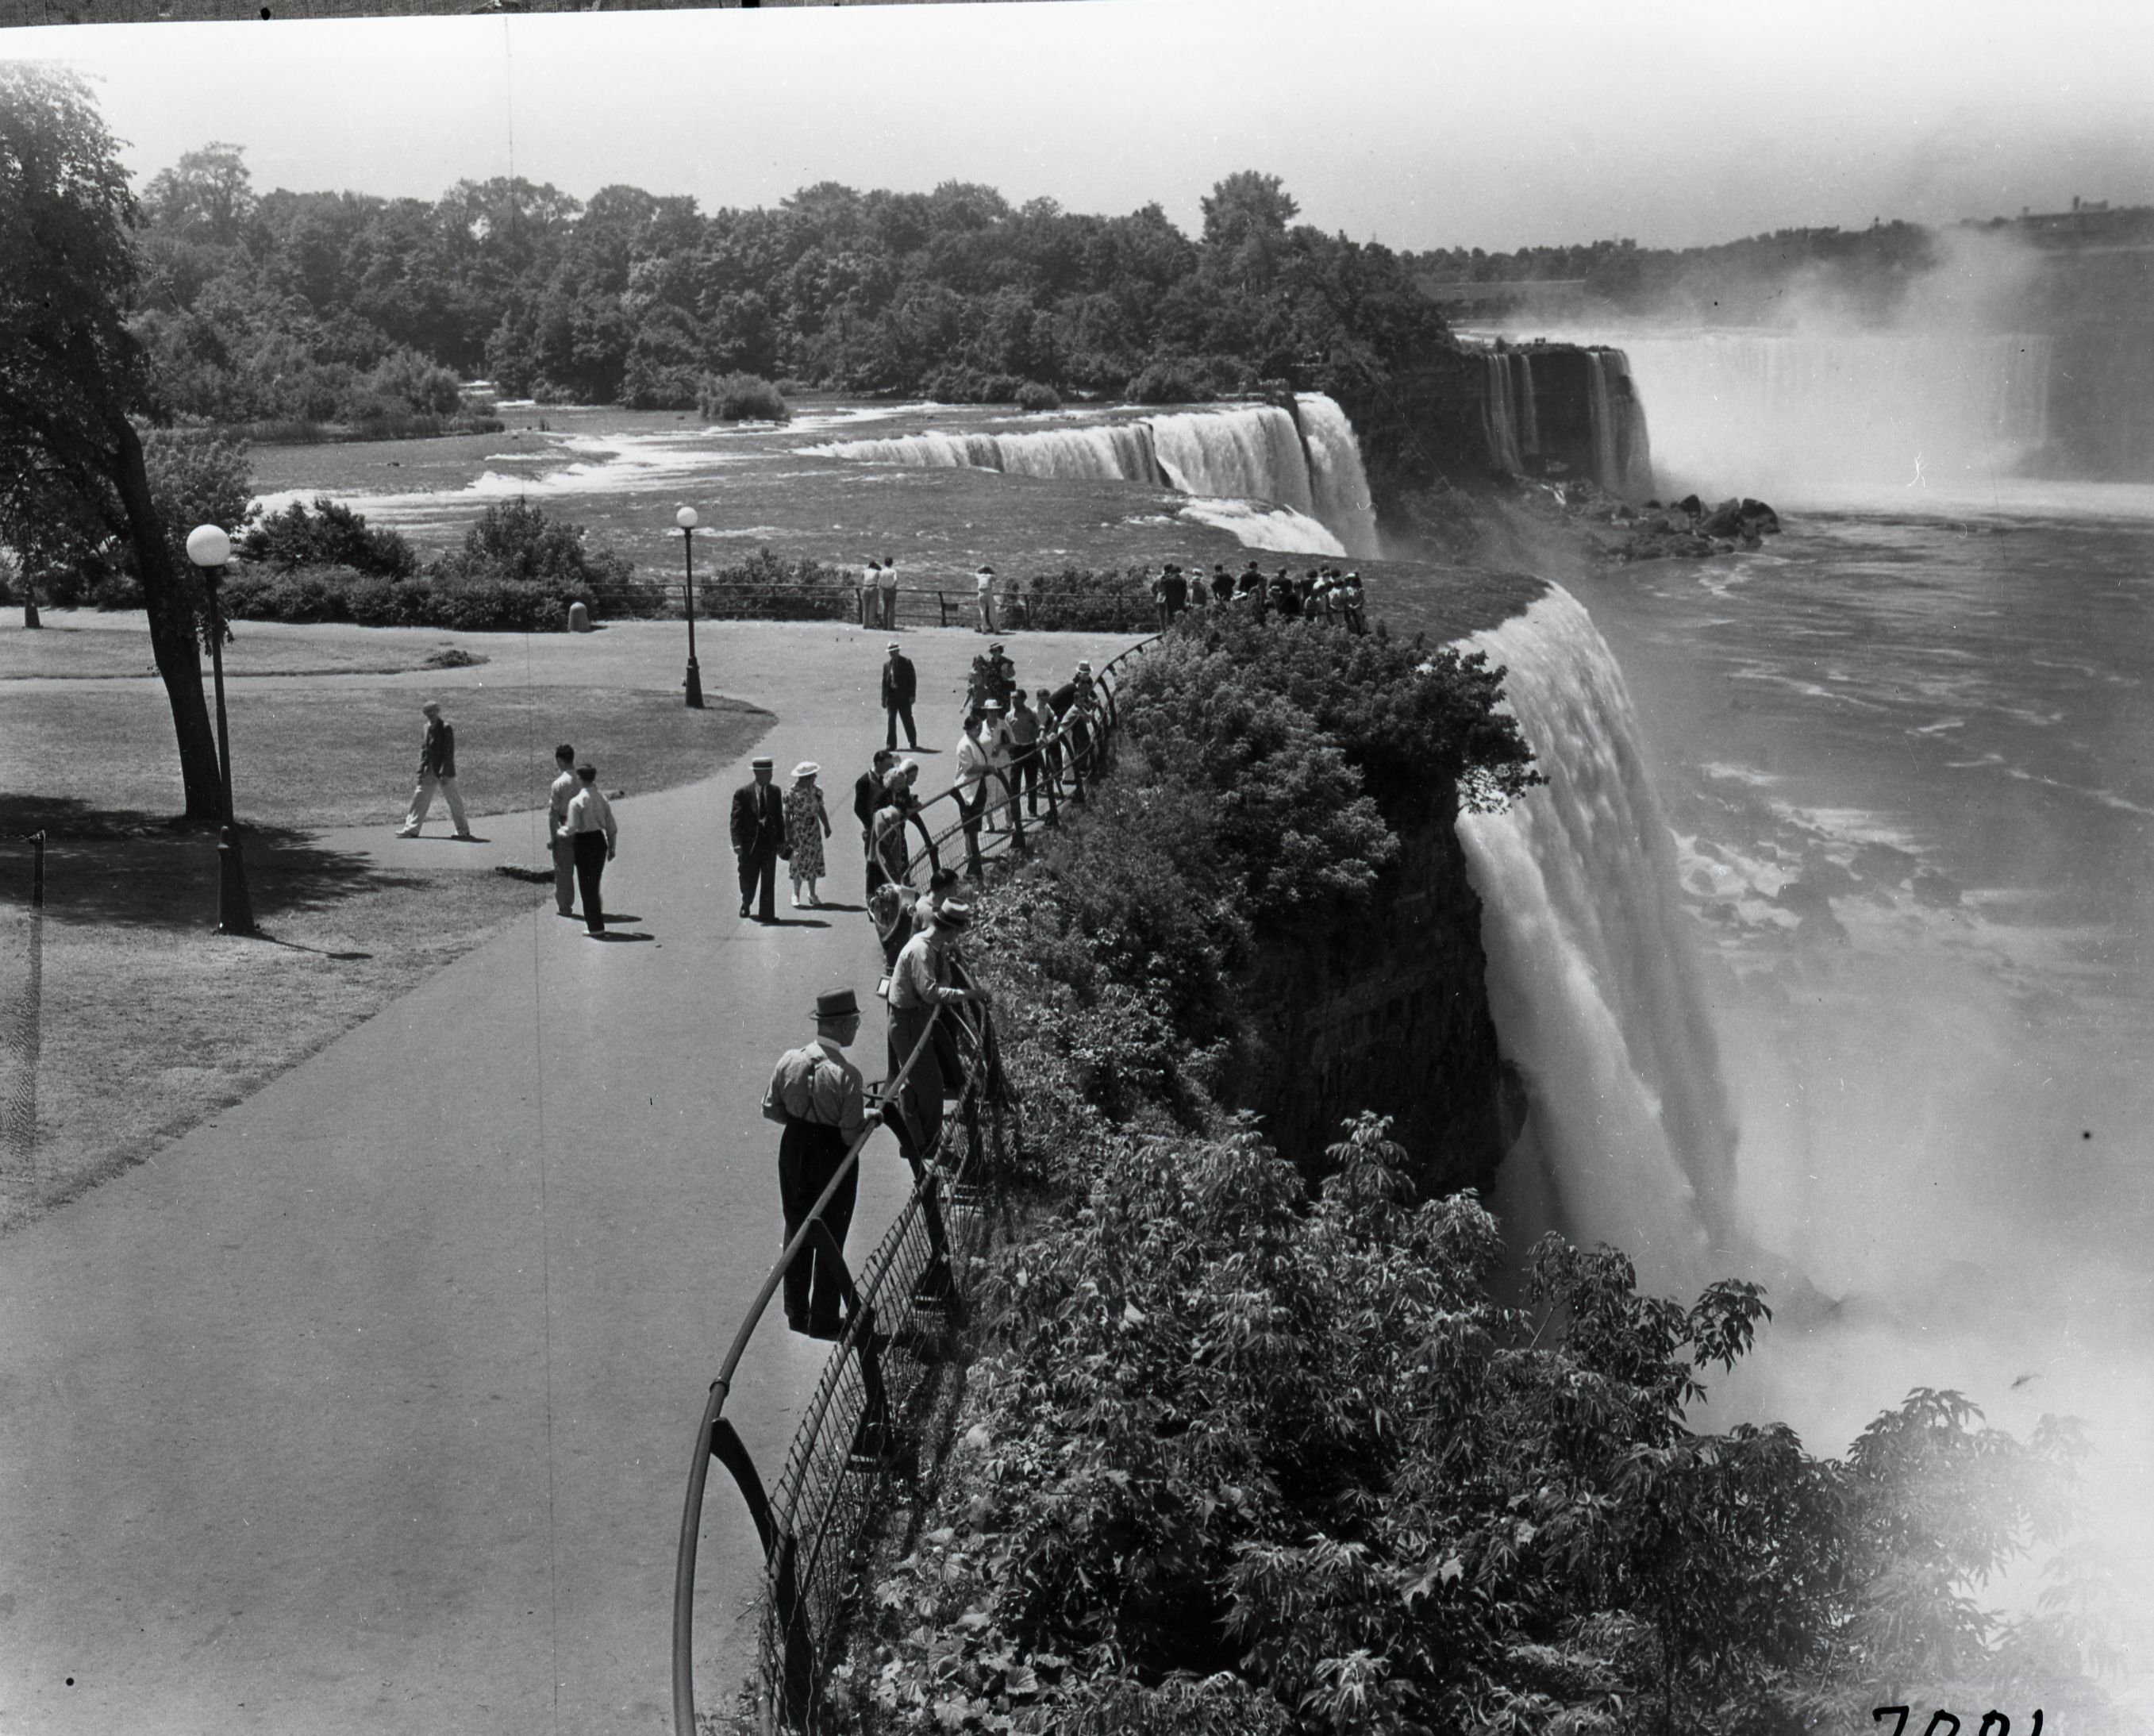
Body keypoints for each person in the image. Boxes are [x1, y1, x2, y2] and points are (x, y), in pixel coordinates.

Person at [761, 989, 869, 1338]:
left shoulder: (789, 1060)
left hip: (793, 1146)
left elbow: (770, 1109)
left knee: (796, 1224)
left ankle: (796, 1312)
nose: (856, 1029)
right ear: (840, 1026)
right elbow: (851, 1135)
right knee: (831, 1231)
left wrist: (801, 1120)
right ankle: (824, 1318)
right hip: (832, 1153)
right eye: (854, 1023)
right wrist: (870, 1118)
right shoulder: (848, 1076)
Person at [885, 900, 989, 1168]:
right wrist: (969, 994)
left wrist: (946, 958)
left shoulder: (934, 946)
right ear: (952, 929)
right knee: (930, 1084)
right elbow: (930, 992)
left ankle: (917, 1139)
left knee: (923, 1080)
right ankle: (928, 1147)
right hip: (906, 1021)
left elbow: (938, 983)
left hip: (917, 1018)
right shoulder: (922, 951)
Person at [395, 699, 474, 839]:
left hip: (444, 772)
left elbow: (448, 752)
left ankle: (463, 831)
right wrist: (421, 770)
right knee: (419, 798)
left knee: (453, 800)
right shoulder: (426, 727)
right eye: (427, 713)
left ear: (438, 712)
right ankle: (411, 829)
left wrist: (444, 773)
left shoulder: (445, 728)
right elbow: (424, 750)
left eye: (433, 712)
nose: (430, 715)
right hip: (429, 771)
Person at [561, 763, 617, 937]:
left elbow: (571, 828)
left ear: (580, 778)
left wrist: (559, 831)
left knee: (587, 886)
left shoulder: (576, 802)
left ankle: (595, 926)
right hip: (599, 841)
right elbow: (611, 826)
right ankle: (595, 921)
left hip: (583, 842)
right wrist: (612, 846)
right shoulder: (601, 798)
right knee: (594, 882)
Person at [729, 755, 788, 922]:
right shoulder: (742, 794)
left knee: (768, 879)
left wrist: (781, 841)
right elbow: (735, 821)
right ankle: (746, 902)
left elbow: (779, 818)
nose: (770, 775)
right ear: (756, 773)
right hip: (750, 846)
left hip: (769, 843)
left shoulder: (775, 792)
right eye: (766, 772)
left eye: (771, 771)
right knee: (748, 876)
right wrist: (737, 843)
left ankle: (767, 914)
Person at [783, 762, 833, 908]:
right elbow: (786, 815)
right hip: (799, 831)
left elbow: (820, 809)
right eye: (812, 776)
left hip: (813, 831)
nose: (815, 779)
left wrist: (827, 826)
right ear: (805, 778)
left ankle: (812, 893)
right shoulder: (791, 794)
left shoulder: (816, 791)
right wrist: (788, 834)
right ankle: (796, 894)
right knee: (798, 861)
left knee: (813, 860)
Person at [954, 704, 995, 874]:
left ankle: (974, 851)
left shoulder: (974, 741)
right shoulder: (964, 745)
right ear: (969, 729)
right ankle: (970, 853)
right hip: (969, 788)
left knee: (976, 821)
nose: (979, 731)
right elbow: (968, 768)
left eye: (980, 727)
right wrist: (987, 768)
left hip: (978, 785)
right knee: (969, 821)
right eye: (977, 728)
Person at [546, 742, 579, 918]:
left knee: (564, 869)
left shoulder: (559, 784)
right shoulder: (584, 779)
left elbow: (553, 813)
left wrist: (553, 837)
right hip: (584, 827)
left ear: (560, 760)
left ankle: (565, 906)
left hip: (566, 826)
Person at [855, 749, 894, 889]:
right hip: (873, 828)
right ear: (878, 763)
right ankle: (871, 894)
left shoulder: (885, 778)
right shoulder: (865, 781)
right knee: (873, 862)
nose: (891, 768)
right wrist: (871, 825)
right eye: (888, 764)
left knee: (887, 862)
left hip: (886, 827)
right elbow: (858, 808)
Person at [1004, 687, 1042, 818]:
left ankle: (1032, 810)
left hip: (1030, 749)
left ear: (1023, 699)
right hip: (1016, 751)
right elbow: (1005, 734)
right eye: (1012, 698)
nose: (1014, 701)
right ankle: (1016, 814)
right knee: (1014, 783)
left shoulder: (1031, 714)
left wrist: (1041, 737)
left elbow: (1040, 727)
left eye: (1017, 698)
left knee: (1031, 781)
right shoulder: (1009, 716)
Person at [881, 641, 919, 752]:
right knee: (891, 720)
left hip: (904, 697)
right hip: (892, 697)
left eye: (894, 651)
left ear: (898, 651)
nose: (892, 654)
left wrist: (912, 695)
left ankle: (913, 741)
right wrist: (883, 699)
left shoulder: (907, 663)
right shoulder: (887, 665)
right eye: (890, 652)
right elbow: (884, 683)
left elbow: (912, 680)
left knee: (907, 719)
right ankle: (891, 745)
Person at [1158, 562, 1187, 627]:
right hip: (1180, 601)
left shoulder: (1170, 579)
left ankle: (1172, 630)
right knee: (1180, 616)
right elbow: (1185, 591)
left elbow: (1162, 582)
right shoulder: (1183, 580)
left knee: (1171, 616)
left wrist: (1165, 575)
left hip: (1171, 601)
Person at [878, 556, 900, 630]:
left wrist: (882, 588)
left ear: (885, 563)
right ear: (892, 563)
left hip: (884, 590)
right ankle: (891, 626)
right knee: (891, 609)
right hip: (891, 591)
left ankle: (885, 626)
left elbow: (879, 582)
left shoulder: (882, 571)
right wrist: (892, 587)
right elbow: (895, 580)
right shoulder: (893, 571)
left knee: (885, 609)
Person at [975, 564, 996, 634]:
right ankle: (996, 629)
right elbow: (995, 575)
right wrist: (990, 568)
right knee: (992, 611)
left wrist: (982, 567)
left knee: (982, 612)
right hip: (988, 592)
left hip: (980, 593)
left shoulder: (979, 576)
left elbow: (976, 571)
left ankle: (984, 630)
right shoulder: (990, 576)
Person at [860, 560, 880, 629]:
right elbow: (881, 576)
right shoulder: (877, 571)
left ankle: (865, 624)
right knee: (872, 608)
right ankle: (871, 625)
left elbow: (862, 577)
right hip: (873, 587)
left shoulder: (865, 571)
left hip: (865, 588)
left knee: (865, 608)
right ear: (875, 566)